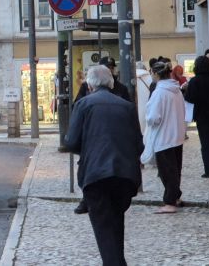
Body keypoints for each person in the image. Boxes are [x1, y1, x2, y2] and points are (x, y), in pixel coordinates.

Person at [64, 65, 143, 266]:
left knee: (104, 227)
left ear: (89, 85)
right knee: (115, 222)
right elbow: (139, 144)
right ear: (111, 83)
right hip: (125, 175)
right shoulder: (127, 106)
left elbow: (71, 142)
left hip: (95, 174)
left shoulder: (83, 104)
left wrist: (89, 150)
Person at [143, 60, 187, 213]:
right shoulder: (176, 89)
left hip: (164, 136)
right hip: (177, 134)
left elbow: (153, 117)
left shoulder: (159, 92)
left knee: (167, 171)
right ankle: (176, 197)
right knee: (175, 169)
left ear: (155, 74)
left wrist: (148, 118)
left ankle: (170, 202)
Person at [184, 56, 209, 177]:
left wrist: (185, 90)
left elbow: (190, 98)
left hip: (202, 115)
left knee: (205, 143)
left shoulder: (195, 81)